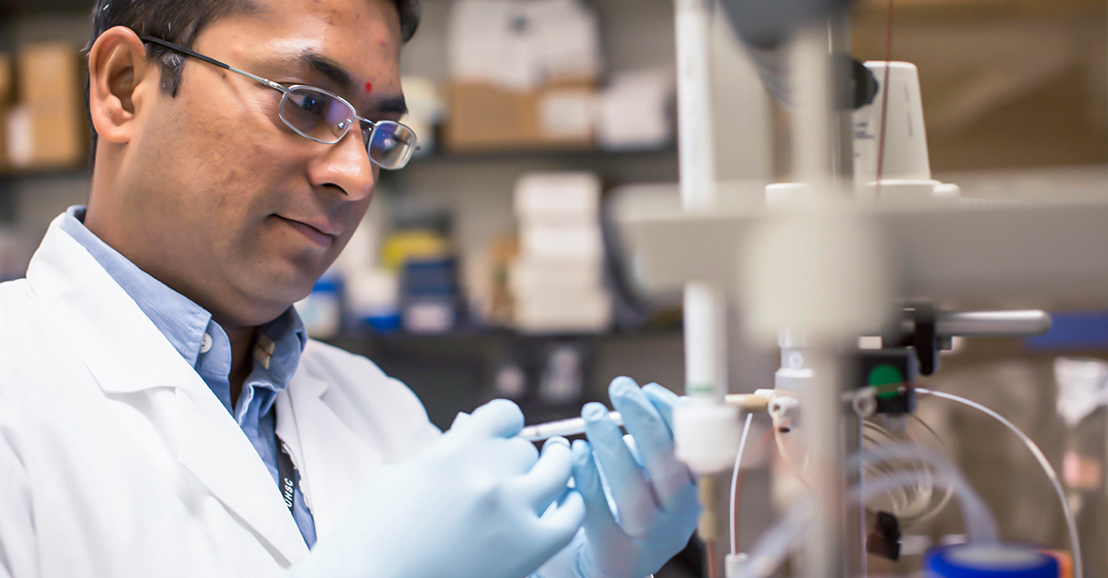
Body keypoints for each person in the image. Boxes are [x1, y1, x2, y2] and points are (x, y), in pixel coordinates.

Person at [0, 0, 700, 576]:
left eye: (378, 133)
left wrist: (588, 568)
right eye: (306, 103)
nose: (358, 177)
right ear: (124, 86)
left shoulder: (378, 408)